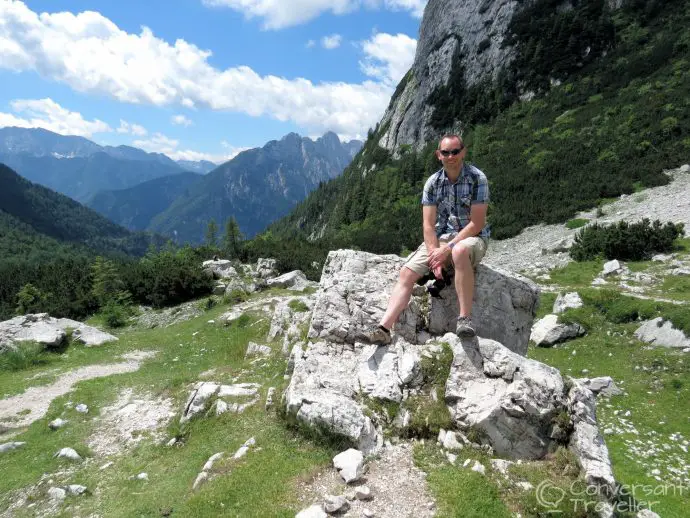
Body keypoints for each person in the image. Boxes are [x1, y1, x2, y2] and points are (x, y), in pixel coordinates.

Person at [364, 134, 490, 344]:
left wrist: (446, 250)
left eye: (455, 152)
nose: (451, 156)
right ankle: (383, 328)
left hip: (471, 239)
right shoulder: (432, 183)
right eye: (445, 152)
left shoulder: (477, 178)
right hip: (439, 240)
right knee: (406, 272)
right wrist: (434, 256)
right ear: (438, 155)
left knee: (459, 251)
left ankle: (465, 320)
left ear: (463, 152)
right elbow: (428, 225)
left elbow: (476, 223)